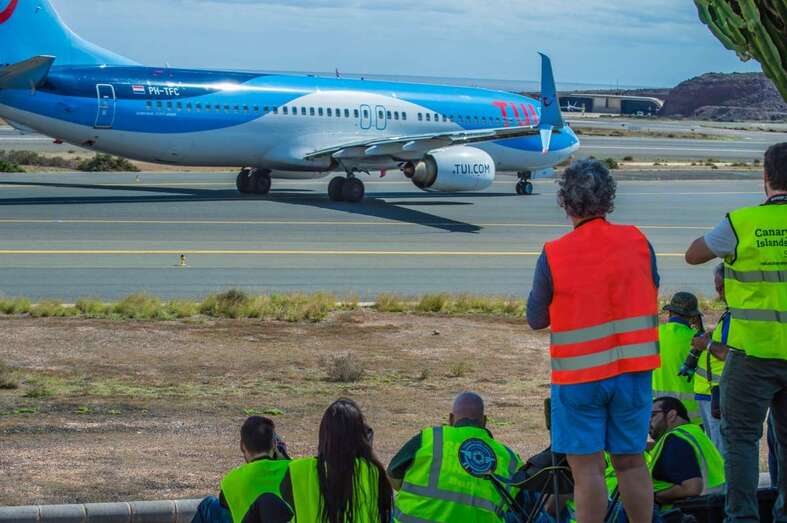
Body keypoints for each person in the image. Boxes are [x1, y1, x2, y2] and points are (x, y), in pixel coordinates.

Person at [527, 159, 661, 523]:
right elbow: (650, 285)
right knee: (631, 463)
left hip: (580, 376)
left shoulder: (555, 253)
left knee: (587, 470)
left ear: (565, 202)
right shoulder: (638, 241)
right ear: (609, 199)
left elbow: (536, 318)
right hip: (632, 371)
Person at [685, 142, 786, 522]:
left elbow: (694, 254)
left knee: (741, 439)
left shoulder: (741, 223)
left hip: (751, 354)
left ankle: (741, 516)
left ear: (766, 178)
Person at [243, 398, 393, 523]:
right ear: (361, 437)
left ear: (324, 435)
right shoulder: (374, 472)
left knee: (265, 500)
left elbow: (286, 497)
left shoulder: (299, 471)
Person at [388, 392, 524, 522]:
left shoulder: (431, 438)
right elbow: (522, 506)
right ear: (484, 421)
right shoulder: (510, 458)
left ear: (451, 419)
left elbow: (392, 474)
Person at [192, 416, 291, 523]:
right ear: (274, 444)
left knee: (208, 505)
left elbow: (224, 504)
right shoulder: (293, 470)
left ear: (242, 446)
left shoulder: (231, 480)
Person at [648, 397, 726, 505]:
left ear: (671, 415)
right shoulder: (694, 433)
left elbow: (692, 489)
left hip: (692, 510)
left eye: (652, 415)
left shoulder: (676, 440)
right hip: (715, 506)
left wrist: (655, 496)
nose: (648, 421)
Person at [690, 263, 731, 455]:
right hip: (711, 393)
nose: (719, 295)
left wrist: (706, 344)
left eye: (721, 288)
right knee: (716, 450)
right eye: (717, 289)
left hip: (719, 394)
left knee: (721, 452)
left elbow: (726, 354)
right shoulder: (729, 314)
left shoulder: (737, 316)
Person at [654, 292, 703, 425]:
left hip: (657, 413)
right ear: (693, 317)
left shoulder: (654, 334)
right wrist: (701, 330)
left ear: (670, 312)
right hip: (689, 415)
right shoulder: (698, 340)